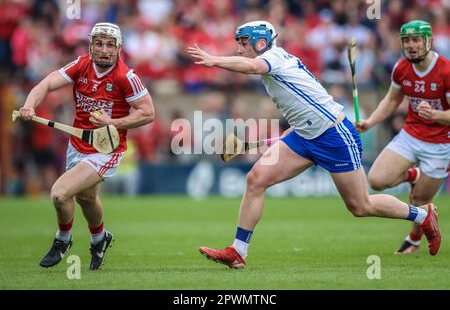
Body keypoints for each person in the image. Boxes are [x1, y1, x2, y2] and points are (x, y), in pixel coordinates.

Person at [187, 20, 441, 269]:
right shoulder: (273, 63)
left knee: (361, 206)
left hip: (334, 136)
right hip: (303, 134)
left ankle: (423, 215)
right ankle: (238, 252)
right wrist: (295, 129)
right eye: (238, 44)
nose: (239, 48)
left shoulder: (273, 58)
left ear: (261, 43)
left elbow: (252, 67)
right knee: (256, 179)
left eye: (243, 43)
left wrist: (214, 60)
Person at [19, 22, 154, 270]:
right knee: (86, 198)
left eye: (110, 45)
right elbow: (48, 83)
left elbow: (147, 113)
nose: (104, 50)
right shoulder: (81, 65)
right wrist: (30, 104)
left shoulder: (127, 77)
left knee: (60, 194)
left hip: (106, 150)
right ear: (91, 46)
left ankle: (63, 239)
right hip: (78, 144)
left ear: (119, 48)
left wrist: (112, 122)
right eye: (99, 44)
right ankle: (100, 239)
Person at [355, 20, 450, 254]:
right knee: (376, 180)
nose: (411, 45)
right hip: (410, 135)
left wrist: (436, 114)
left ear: (429, 41)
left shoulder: (445, 71)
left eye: (416, 40)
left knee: (420, 200)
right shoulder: (401, 68)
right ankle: (414, 174)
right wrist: (370, 122)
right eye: (406, 40)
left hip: (440, 144)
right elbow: (392, 100)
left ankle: (413, 241)